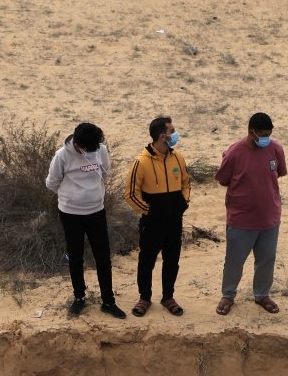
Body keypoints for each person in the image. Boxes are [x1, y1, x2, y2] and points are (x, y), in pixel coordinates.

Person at [45, 121, 125, 320]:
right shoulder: (62, 156)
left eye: (94, 148)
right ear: (78, 144)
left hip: (96, 211)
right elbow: (52, 183)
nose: (92, 152)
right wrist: (71, 197)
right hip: (70, 214)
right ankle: (79, 297)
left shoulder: (101, 150)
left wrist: (94, 195)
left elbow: (105, 172)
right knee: (76, 256)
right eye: (88, 149)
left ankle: (108, 301)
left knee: (103, 257)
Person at [215, 112, 287, 315]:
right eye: (263, 135)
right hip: (241, 219)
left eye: (269, 135)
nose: (266, 139)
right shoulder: (234, 153)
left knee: (266, 260)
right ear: (251, 132)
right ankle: (228, 295)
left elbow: (278, 173)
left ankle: (262, 295)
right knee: (234, 261)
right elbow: (223, 180)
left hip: (269, 218)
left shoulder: (276, 149)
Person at [125, 115, 191, 317]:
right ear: (163, 136)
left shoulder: (178, 157)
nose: (175, 134)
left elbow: (186, 183)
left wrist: (183, 203)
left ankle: (168, 297)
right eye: (172, 131)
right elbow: (131, 194)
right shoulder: (141, 162)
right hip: (152, 223)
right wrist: (149, 211)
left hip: (174, 221)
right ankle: (144, 298)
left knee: (172, 260)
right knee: (147, 261)